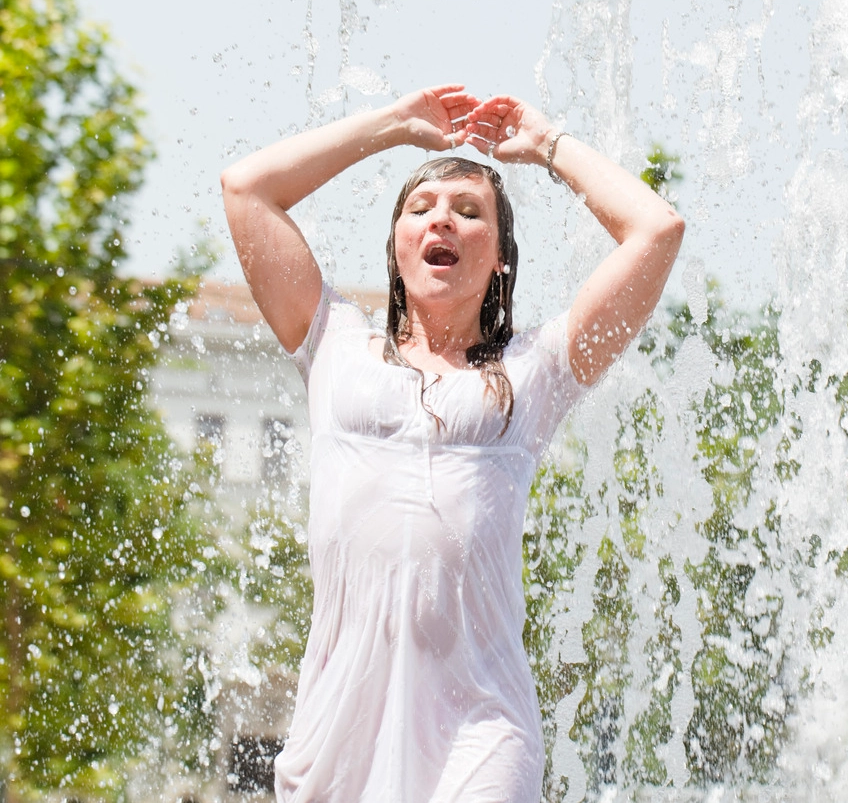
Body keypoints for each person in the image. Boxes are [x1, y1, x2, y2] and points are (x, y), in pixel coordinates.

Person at [220, 84, 684, 802]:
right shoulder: (334, 343)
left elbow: (656, 228)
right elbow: (247, 189)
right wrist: (393, 126)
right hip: (339, 728)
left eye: (470, 214)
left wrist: (549, 144)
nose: (443, 220)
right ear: (398, 245)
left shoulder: (534, 372)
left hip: (481, 727)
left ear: (500, 258)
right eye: (422, 209)